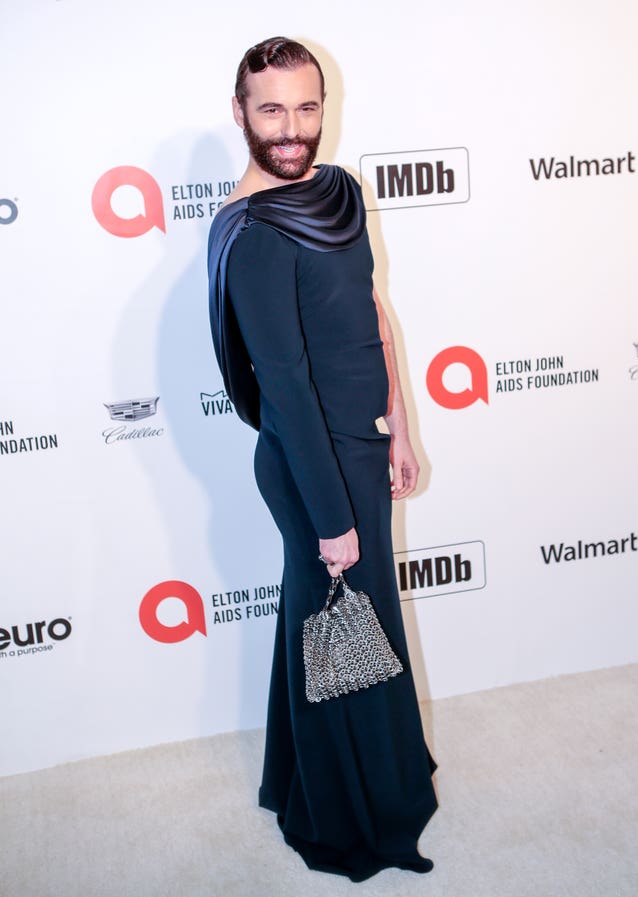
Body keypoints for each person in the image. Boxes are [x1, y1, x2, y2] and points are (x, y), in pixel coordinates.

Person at [207, 36, 437, 882]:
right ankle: (343, 818)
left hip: (364, 442)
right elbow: (291, 392)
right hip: (314, 468)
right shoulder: (254, 232)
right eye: (271, 109)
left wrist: (401, 426)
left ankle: (298, 777)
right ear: (240, 114)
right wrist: (334, 521)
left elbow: (375, 310)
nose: (293, 128)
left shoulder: (337, 190)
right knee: (342, 639)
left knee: (330, 633)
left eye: (307, 106)